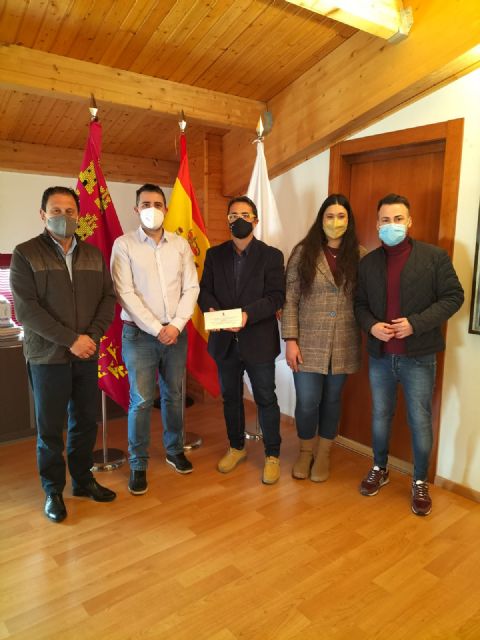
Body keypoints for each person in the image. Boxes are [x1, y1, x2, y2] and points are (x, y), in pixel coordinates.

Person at [10, 186, 117, 523]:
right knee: (50, 429)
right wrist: (71, 340)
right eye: (56, 210)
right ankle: (53, 490)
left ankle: (83, 481)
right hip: (47, 357)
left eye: (70, 211)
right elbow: (27, 310)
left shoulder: (93, 255)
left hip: (86, 353)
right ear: (43, 214)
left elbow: (108, 298)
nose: (63, 217)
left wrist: (91, 338)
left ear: (79, 215)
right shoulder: (25, 253)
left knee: (85, 422)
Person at [355, 193, 464, 516]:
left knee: (420, 420)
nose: (392, 225)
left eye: (398, 219)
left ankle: (419, 481)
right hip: (380, 356)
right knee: (380, 415)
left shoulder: (434, 257)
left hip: (419, 356)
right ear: (377, 224)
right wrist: (371, 326)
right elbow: (359, 305)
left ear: (409, 221)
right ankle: (380, 467)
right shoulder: (368, 263)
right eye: (385, 220)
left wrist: (415, 324)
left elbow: (453, 297)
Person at [110, 183, 199, 495]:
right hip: (139, 335)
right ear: (136, 209)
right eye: (145, 204)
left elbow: (191, 287)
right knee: (142, 399)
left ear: (166, 208)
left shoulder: (180, 245)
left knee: (174, 395)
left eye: (157, 204)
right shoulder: (123, 245)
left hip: (175, 333)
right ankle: (138, 463)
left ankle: (174, 450)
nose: (152, 209)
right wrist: (156, 328)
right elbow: (124, 292)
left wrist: (175, 325)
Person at [199, 196, 285, 484]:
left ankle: (272, 454)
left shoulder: (272, 256)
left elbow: (276, 297)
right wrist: (212, 309)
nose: (239, 220)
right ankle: (236, 447)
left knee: (266, 398)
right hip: (224, 341)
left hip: (258, 341)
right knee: (231, 398)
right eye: (233, 215)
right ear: (228, 221)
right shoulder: (214, 255)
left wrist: (247, 315)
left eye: (245, 215)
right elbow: (204, 291)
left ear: (255, 220)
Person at [282, 194, 365, 482]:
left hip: (343, 342)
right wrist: (290, 340)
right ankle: (306, 451)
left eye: (341, 216)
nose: (335, 222)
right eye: (330, 216)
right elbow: (290, 299)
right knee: (307, 401)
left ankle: (324, 453)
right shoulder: (303, 252)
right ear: (321, 219)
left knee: (332, 400)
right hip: (307, 343)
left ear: (349, 221)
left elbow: (366, 300)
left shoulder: (361, 255)